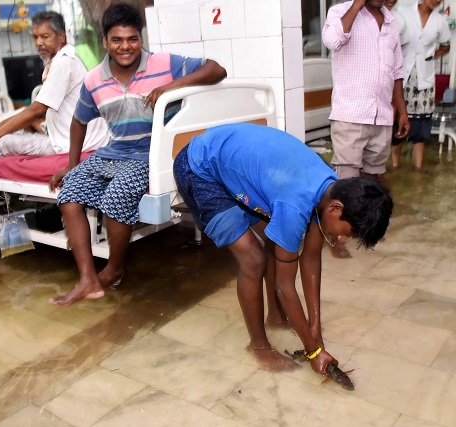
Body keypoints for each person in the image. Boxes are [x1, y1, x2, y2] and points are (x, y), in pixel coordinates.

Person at [173, 122, 393, 373]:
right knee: (254, 260)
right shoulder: (296, 204)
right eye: (346, 233)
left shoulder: (330, 187)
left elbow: (310, 260)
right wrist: (314, 351)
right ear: (336, 208)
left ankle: (276, 317)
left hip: (236, 166)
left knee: (275, 242)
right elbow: (285, 285)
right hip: (198, 169)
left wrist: (315, 328)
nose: (342, 240)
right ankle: (258, 346)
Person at [47, 3, 227, 306]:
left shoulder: (164, 63)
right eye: (117, 40)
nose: (125, 47)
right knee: (69, 194)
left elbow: (217, 70)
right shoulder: (93, 80)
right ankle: (88, 280)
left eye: (132, 39)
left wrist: (171, 87)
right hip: (113, 152)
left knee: (117, 197)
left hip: (152, 154)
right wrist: (72, 165)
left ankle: (114, 270)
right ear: (105, 42)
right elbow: (79, 121)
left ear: (140, 39)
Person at [0, 11, 108, 165]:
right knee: (19, 121)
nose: (39, 42)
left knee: (5, 141)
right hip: (70, 131)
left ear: (61, 36)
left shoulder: (64, 63)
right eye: (35, 37)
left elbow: (36, 109)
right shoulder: (61, 59)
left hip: (73, 142)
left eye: (45, 37)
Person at [322, 0, 408, 258]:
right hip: (350, 112)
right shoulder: (340, 12)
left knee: (373, 178)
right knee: (346, 179)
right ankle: (338, 238)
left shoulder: (392, 23)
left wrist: (402, 110)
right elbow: (333, 40)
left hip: (381, 114)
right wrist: (357, 4)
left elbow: (396, 71)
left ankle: (368, 226)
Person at [391, 0, 450, 171]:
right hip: (402, 76)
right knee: (397, 124)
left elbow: (446, 45)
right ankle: (395, 166)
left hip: (424, 78)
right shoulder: (403, 12)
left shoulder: (439, 20)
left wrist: (432, 55)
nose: (436, 1)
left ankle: (417, 170)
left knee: (421, 126)